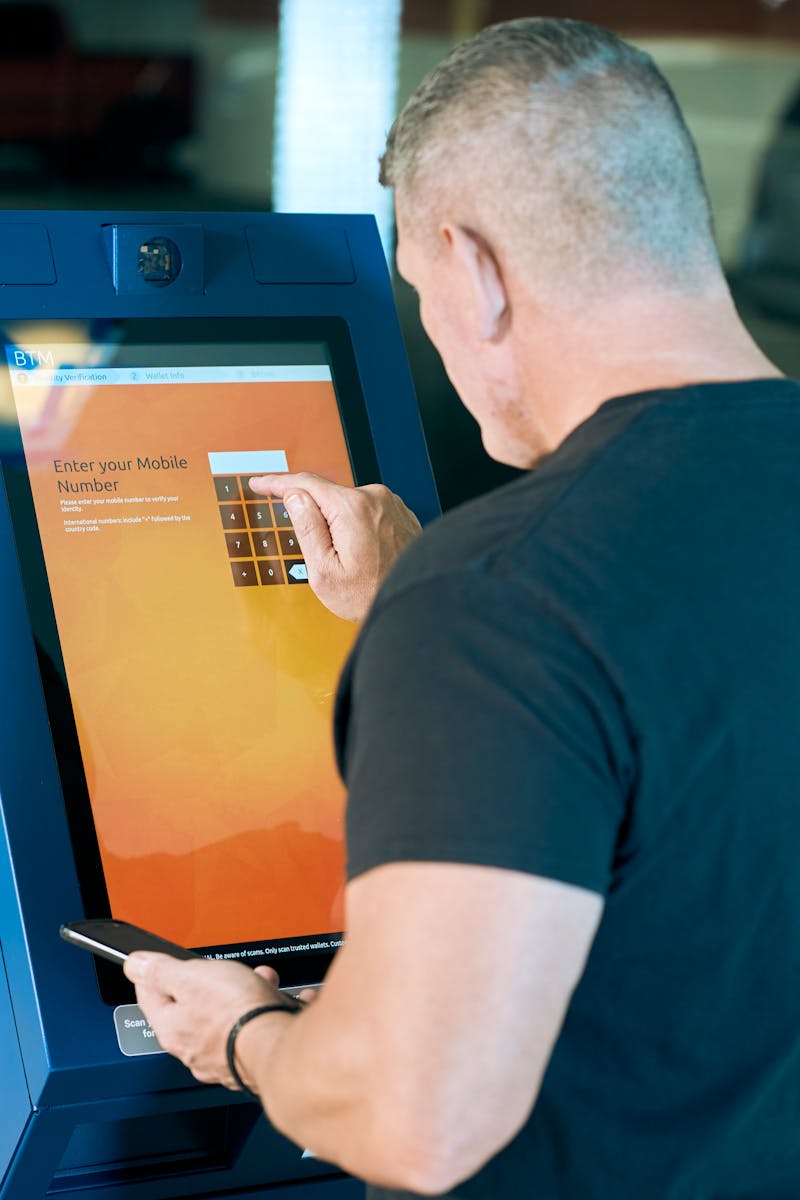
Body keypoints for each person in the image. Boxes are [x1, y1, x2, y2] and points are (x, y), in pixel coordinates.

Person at [124, 18, 800, 1198]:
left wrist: (246, 1035)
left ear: (475, 269)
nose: (433, 339)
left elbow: (409, 1116)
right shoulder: (508, 608)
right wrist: (416, 615)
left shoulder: (500, 596)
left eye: (423, 295)